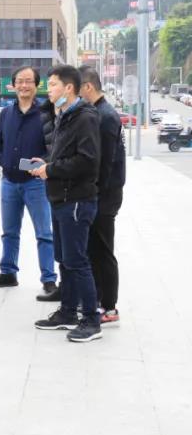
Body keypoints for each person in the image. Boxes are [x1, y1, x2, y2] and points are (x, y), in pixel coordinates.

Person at [30, 65, 102, 343]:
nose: (48, 90)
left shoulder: (85, 117)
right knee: (65, 260)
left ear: (69, 88)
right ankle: (68, 312)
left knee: (77, 261)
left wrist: (51, 170)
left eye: (53, 85)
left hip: (76, 200)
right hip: (60, 198)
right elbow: (64, 156)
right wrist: (46, 164)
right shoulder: (64, 115)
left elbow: (87, 161)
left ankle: (91, 321)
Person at [0, 66, 59, 298]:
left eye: (28, 81)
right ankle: (8, 272)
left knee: (44, 233)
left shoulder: (47, 113)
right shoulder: (6, 113)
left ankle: (49, 279)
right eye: (20, 81)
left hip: (36, 183)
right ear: (14, 85)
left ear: (37, 85)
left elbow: (55, 148)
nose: (24, 85)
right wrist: (4, 161)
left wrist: (41, 164)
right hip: (9, 182)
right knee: (9, 232)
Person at [79, 65, 125, 325]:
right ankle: (97, 299)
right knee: (94, 249)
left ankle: (110, 306)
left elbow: (106, 162)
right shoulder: (98, 112)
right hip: (100, 193)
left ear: (88, 87)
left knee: (104, 250)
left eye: (78, 89)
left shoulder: (105, 116)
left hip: (105, 195)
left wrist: (94, 192)